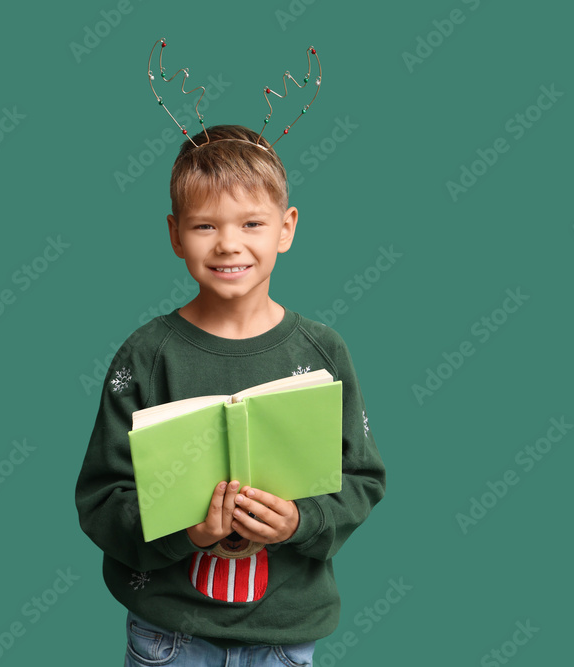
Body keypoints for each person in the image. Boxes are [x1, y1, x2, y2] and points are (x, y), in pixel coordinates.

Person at [75, 124, 386, 666]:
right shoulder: (147, 355)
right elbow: (103, 499)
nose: (228, 243)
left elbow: (361, 478)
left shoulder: (325, 350)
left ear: (285, 228)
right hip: (168, 635)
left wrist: (300, 521)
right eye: (204, 225)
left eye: (251, 223)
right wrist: (185, 531)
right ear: (175, 235)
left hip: (285, 635)